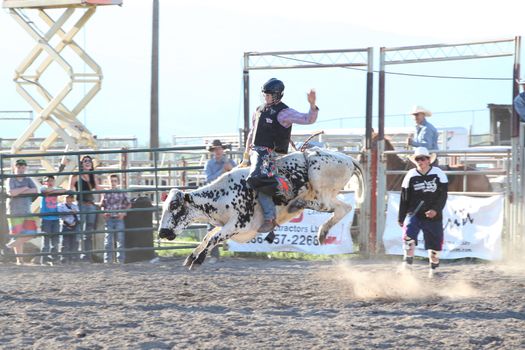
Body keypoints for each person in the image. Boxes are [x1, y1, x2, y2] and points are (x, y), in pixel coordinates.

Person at [242, 78, 319, 233]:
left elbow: (308, 119)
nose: (266, 96)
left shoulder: (284, 113)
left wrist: (312, 105)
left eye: (269, 94)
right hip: (256, 153)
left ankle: (270, 218)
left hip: (273, 154)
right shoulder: (258, 110)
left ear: (277, 95)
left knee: (258, 178)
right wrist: (245, 157)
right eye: (265, 94)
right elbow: (252, 133)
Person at [398, 147, 448, 278]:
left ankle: (434, 270)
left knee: (435, 245)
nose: (420, 161)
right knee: (408, 235)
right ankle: (407, 265)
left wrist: (435, 210)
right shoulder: (411, 175)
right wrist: (401, 216)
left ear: (428, 160)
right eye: (417, 159)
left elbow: (443, 196)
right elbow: (404, 197)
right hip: (414, 213)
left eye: (423, 158)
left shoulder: (438, 174)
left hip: (434, 216)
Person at [204, 140, 237, 259]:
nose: (218, 151)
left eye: (219, 149)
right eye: (215, 149)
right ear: (213, 151)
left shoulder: (231, 163)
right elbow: (209, 180)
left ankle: (237, 249)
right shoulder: (209, 164)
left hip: (228, 197)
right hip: (214, 198)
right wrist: (223, 171)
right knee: (212, 226)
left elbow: (238, 177)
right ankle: (214, 254)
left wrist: (231, 169)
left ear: (222, 150)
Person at [5, 159, 39, 265]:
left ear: (25, 168)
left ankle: (8, 247)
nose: (21, 169)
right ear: (15, 168)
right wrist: (25, 188)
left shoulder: (28, 179)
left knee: (32, 233)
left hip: (27, 210)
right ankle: (20, 260)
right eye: (19, 167)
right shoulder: (11, 179)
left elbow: (35, 190)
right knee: (18, 235)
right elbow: (11, 192)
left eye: (23, 167)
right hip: (14, 210)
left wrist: (19, 190)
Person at [69, 155, 102, 262]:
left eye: (89, 161)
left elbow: (98, 188)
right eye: (85, 161)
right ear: (81, 163)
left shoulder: (93, 175)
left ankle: (86, 255)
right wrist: (71, 203)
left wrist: (107, 193)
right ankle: (77, 255)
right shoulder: (76, 175)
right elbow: (71, 188)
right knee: (80, 229)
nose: (88, 162)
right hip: (81, 204)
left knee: (88, 231)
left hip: (91, 205)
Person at [100, 174, 130, 264]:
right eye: (111, 181)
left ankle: (120, 260)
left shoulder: (122, 192)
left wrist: (124, 213)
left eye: (115, 181)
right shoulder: (106, 192)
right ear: (108, 182)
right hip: (109, 218)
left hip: (119, 218)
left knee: (120, 240)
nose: (113, 183)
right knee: (108, 241)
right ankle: (107, 261)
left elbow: (129, 204)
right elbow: (102, 205)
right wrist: (103, 212)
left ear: (118, 182)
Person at [39, 175, 66, 266]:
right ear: (44, 182)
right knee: (46, 240)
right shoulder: (43, 188)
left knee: (55, 240)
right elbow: (44, 190)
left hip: (55, 218)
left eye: (52, 181)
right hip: (46, 218)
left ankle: (54, 259)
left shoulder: (54, 188)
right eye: (47, 181)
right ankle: (45, 259)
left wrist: (53, 190)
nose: (50, 182)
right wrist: (55, 191)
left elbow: (63, 190)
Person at [57, 194, 80, 264]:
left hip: (74, 225)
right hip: (65, 225)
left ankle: (72, 258)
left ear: (73, 199)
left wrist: (74, 223)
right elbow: (61, 215)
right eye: (67, 198)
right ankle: (64, 258)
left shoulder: (75, 206)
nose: (69, 199)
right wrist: (71, 212)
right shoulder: (61, 206)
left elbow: (78, 216)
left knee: (74, 242)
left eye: (71, 198)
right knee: (65, 242)